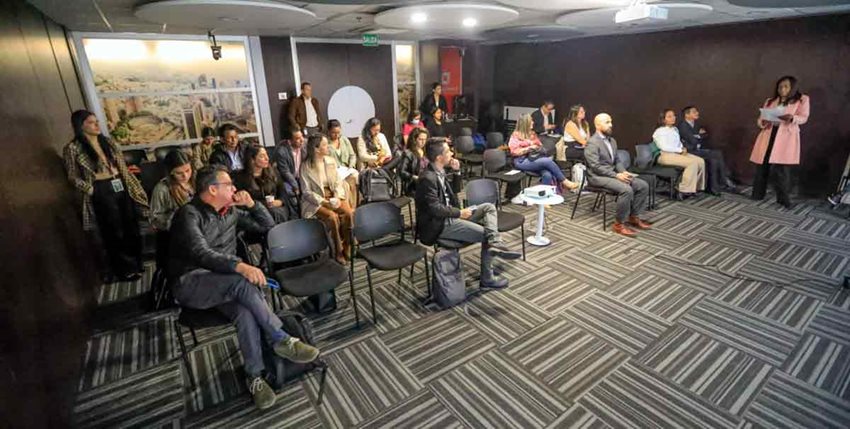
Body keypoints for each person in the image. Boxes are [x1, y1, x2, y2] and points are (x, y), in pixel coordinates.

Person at [169, 165, 319, 410]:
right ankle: (280, 338)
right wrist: (240, 266)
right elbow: (200, 253)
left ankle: (254, 376)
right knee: (243, 280)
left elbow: (267, 225)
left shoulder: (230, 213)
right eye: (229, 184)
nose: (235, 188)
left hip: (225, 283)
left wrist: (252, 205)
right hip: (191, 282)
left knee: (245, 312)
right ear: (212, 189)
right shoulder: (189, 214)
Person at [415, 140, 522, 289]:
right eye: (448, 152)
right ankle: (487, 279)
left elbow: (453, 193)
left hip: (451, 215)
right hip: (440, 223)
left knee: (488, 207)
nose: (452, 153)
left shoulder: (439, 171)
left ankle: (495, 242)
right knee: (486, 235)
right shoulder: (427, 178)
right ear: (439, 157)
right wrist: (459, 213)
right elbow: (435, 209)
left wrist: (457, 172)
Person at [63, 109, 148, 282]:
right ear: (81, 126)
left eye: (96, 121)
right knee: (114, 230)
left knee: (130, 224)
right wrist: (91, 189)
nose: (96, 125)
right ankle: (125, 269)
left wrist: (130, 184)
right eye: (91, 122)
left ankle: (137, 263)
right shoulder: (73, 148)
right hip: (100, 188)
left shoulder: (107, 142)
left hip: (119, 183)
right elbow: (72, 176)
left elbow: (122, 166)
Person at [585, 113, 652, 237]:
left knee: (642, 185)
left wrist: (622, 171)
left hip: (611, 174)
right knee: (626, 190)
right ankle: (618, 224)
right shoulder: (592, 143)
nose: (611, 125)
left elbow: (616, 161)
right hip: (597, 177)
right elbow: (595, 167)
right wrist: (616, 175)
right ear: (597, 125)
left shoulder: (612, 141)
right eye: (607, 122)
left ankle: (634, 216)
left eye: (611, 121)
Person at [750, 75, 810, 209]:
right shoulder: (770, 101)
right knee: (762, 166)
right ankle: (757, 194)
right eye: (780, 86)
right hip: (769, 134)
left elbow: (804, 117)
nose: (782, 89)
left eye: (786, 86)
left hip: (785, 138)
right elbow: (760, 119)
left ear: (792, 87)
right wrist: (763, 122)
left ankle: (783, 199)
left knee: (782, 170)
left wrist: (792, 118)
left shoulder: (802, 99)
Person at [300, 134, 354, 265]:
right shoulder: (305, 166)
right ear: (316, 149)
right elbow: (306, 192)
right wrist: (324, 202)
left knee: (349, 213)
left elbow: (337, 182)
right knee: (332, 217)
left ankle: (348, 245)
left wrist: (337, 196)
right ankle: (338, 251)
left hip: (334, 196)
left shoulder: (330, 161)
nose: (327, 146)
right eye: (324, 145)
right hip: (316, 200)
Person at [508, 114, 578, 191]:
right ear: (525, 123)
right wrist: (529, 148)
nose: (533, 122)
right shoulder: (516, 135)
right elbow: (514, 152)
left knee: (547, 174)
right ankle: (564, 181)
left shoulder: (532, 134)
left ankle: (544, 199)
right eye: (531, 121)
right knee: (547, 161)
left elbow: (539, 145)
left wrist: (538, 147)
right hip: (521, 161)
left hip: (534, 159)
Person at [678, 106, 735, 193]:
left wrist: (698, 136)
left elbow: (704, 136)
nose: (697, 113)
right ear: (687, 115)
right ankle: (725, 179)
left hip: (698, 149)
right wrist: (699, 136)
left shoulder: (696, 124)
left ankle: (714, 188)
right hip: (690, 151)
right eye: (694, 112)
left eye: (697, 111)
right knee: (717, 153)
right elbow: (693, 141)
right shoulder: (683, 126)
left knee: (714, 161)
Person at [653, 109, 706, 197]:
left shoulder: (675, 129)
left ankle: (696, 187)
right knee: (692, 163)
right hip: (665, 155)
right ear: (663, 119)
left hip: (677, 153)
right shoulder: (660, 131)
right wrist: (679, 150)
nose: (673, 118)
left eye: (674, 116)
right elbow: (664, 147)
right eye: (669, 116)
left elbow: (678, 142)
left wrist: (682, 148)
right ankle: (683, 190)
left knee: (700, 161)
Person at [235, 145, 291, 223]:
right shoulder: (240, 178)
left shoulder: (273, 172)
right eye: (262, 156)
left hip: (277, 209)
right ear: (252, 160)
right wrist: (263, 205)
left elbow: (282, 191)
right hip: (255, 212)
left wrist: (280, 201)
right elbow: (242, 203)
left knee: (277, 213)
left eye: (266, 154)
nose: (267, 158)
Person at [327, 119, 359, 209]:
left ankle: (354, 207)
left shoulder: (344, 140)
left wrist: (351, 166)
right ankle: (347, 209)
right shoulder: (326, 143)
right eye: (334, 133)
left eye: (338, 132)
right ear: (329, 131)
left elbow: (352, 155)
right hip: (334, 172)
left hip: (346, 169)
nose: (337, 135)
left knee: (354, 178)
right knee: (345, 186)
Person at [272, 129, 306, 199]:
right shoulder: (282, 151)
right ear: (289, 141)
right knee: (290, 194)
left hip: (302, 178)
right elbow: (285, 172)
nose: (302, 140)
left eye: (302, 136)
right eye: (297, 138)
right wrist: (296, 186)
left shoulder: (305, 145)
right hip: (287, 180)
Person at [399, 128, 430, 196]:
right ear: (414, 139)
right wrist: (413, 177)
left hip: (427, 180)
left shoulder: (426, 152)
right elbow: (401, 171)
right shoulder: (408, 153)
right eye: (420, 139)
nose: (423, 142)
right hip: (413, 184)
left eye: (425, 139)